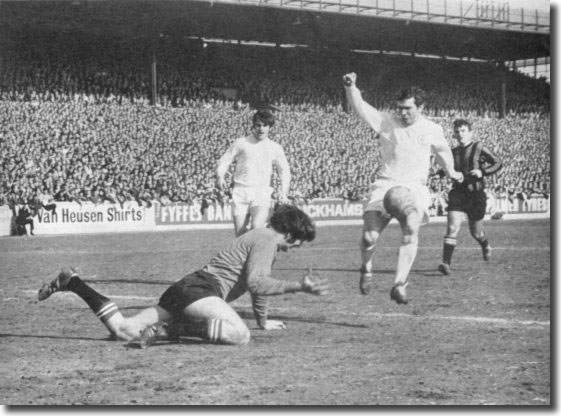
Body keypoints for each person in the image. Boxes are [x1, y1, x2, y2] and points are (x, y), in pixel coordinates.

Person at [37, 205, 329, 348]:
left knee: (124, 330)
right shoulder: (267, 239)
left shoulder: (259, 236)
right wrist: (298, 286)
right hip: (203, 290)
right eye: (300, 241)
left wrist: (264, 320)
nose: (297, 248)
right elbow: (256, 283)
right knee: (240, 335)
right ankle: (167, 331)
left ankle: (72, 282)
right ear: (291, 233)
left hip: (186, 288)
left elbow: (257, 287)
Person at [343, 72, 464, 305]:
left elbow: (443, 152)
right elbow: (360, 107)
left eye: (408, 108)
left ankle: (399, 284)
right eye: (400, 108)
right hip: (385, 184)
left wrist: (451, 171)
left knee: (411, 227)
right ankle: (366, 268)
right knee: (369, 237)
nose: (403, 112)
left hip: (414, 188)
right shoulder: (385, 121)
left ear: (421, 107)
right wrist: (351, 87)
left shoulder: (431, 128)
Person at [438, 119, 502, 276]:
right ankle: (446, 263)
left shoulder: (478, 147)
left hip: (476, 195)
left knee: (476, 232)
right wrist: (439, 173)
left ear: (470, 132)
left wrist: (483, 172)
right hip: (458, 193)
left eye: (463, 131)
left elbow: (498, 162)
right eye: (457, 132)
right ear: (454, 134)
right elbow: (448, 168)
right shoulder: (452, 152)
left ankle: (485, 244)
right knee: (452, 228)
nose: (460, 134)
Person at [216, 110, 291, 236]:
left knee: (256, 227)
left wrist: (283, 192)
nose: (261, 129)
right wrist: (220, 176)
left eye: (265, 126)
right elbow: (224, 160)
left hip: (261, 191)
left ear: (270, 128)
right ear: (253, 126)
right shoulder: (241, 143)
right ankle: (252, 252)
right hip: (240, 191)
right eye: (258, 125)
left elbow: (284, 171)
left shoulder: (275, 147)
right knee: (241, 235)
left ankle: (264, 245)